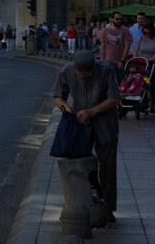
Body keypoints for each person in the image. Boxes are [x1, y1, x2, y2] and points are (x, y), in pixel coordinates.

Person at [53, 50, 121, 221]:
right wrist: (65, 107)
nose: (83, 76)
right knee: (83, 165)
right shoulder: (67, 71)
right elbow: (58, 96)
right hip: (81, 125)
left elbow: (113, 99)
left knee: (107, 166)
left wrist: (91, 111)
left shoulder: (106, 70)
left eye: (86, 73)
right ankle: (90, 200)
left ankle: (107, 208)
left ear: (93, 67)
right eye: (80, 73)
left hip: (105, 124)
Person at [134, 23, 155, 108]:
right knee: (142, 82)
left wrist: (152, 58)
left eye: (148, 33)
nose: (146, 35)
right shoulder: (140, 39)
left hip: (153, 64)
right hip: (142, 64)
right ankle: (142, 99)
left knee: (150, 83)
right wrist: (136, 58)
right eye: (145, 33)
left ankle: (151, 102)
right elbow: (136, 50)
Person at [100, 12, 131, 80]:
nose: (119, 21)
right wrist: (102, 60)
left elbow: (127, 46)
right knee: (108, 81)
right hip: (108, 61)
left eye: (120, 19)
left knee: (120, 81)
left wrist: (122, 60)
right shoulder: (105, 31)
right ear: (111, 19)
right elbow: (103, 45)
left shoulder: (125, 30)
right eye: (117, 19)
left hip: (120, 61)